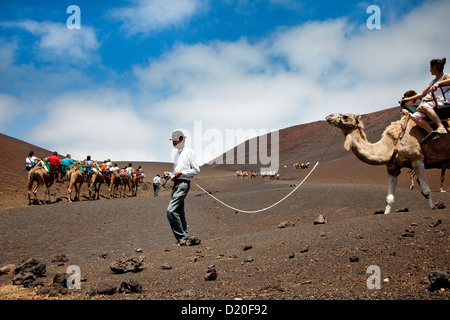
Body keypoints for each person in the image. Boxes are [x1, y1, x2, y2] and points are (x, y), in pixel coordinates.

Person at [164, 130, 200, 246]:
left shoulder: (189, 152)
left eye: (174, 140)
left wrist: (182, 173)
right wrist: (169, 174)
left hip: (184, 184)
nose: (173, 143)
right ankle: (184, 237)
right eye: (172, 141)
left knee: (171, 210)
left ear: (181, 139)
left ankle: (180, 237)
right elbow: (175, 172)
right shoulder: (177, 155)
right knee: (179, 212)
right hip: (176, 184)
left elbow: (196, 170)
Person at [402, 58, 450, 138]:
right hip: (435, 102)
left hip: (445, 100)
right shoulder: (433, 81)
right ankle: (433, 133)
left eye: (430, 67)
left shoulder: (445, 76)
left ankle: (441, 127)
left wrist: (440, 83)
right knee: (414, 116)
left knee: (425, 106)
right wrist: (408, 99)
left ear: (434, 67)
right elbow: (423, 93)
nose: (430, 70)